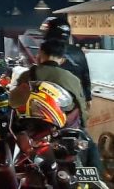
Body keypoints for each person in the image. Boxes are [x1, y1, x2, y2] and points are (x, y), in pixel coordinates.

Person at [10, 39, 101, 171]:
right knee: (91, 148)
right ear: (62, 60)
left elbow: (15, 103)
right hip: (65, 129)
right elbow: (81, 109)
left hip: (33, 130)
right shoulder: (72, 78)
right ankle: (97, 177)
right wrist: (82, 127)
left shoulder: (27, 75)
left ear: (40, 54)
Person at [40, 16, 92, 109]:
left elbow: (42, 78)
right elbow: (86, 76)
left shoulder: (48, 51)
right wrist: (88, 97)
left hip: (55, 104)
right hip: (77, 101)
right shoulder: (78, 51)